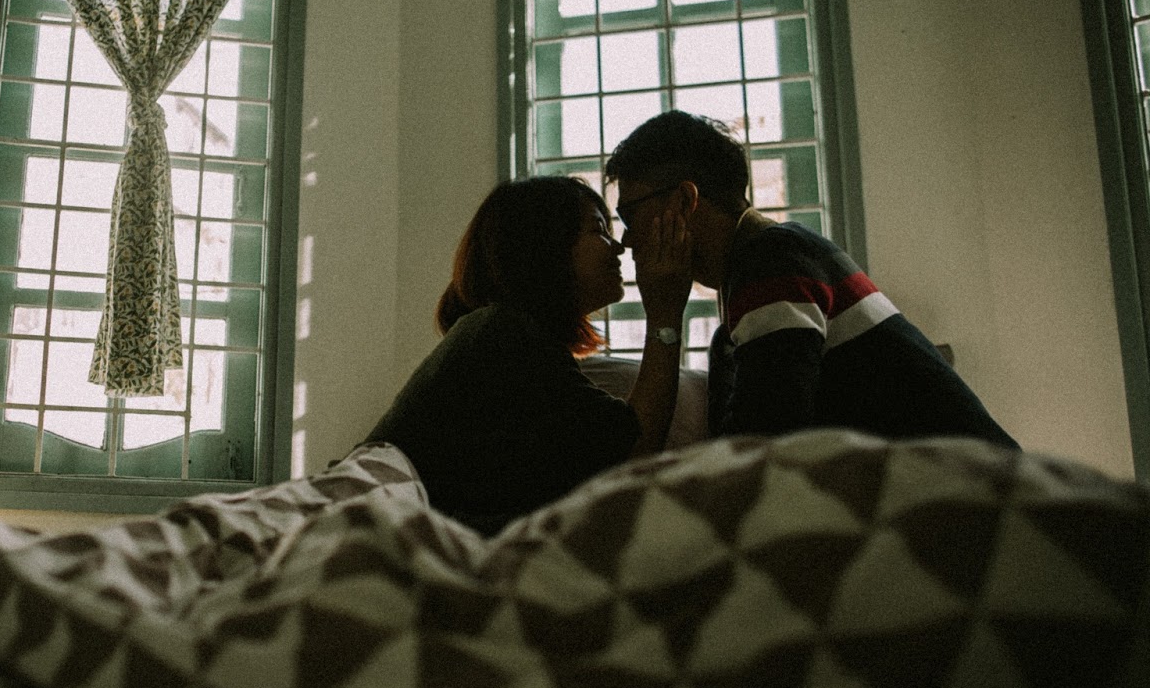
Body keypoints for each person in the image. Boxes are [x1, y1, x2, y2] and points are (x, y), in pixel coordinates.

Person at [604, 110, 1018, 449]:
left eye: (629, 215)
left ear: (684, 200)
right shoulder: (755, 282)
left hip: (974, 497)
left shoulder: (772, 260)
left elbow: (762, 447)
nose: (626, 239)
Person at [362, 175, 694, 535]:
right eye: (598, 230)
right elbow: (631, 451)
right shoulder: (501, 334)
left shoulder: (507, 335)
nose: (617, 248)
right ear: (546, 244)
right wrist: (664, 312)